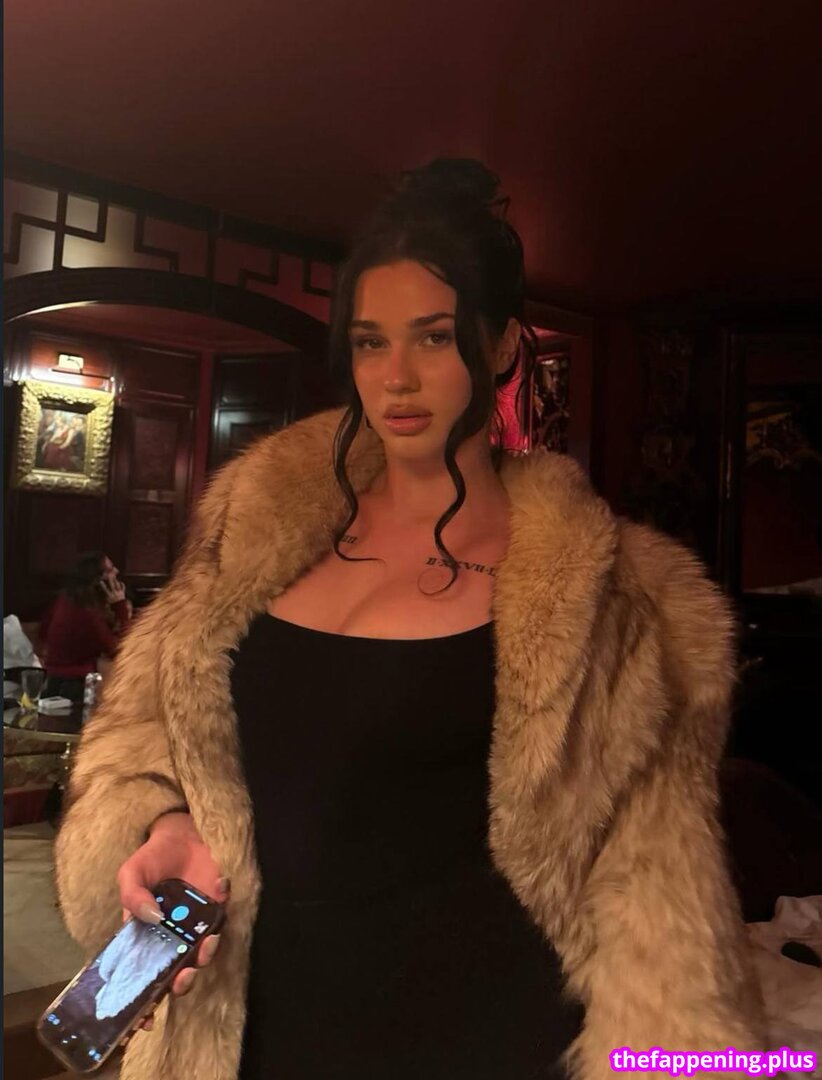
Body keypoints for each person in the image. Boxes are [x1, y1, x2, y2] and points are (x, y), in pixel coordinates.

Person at [54, 160, 765, 1080]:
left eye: (433, 337)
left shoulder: (617, 603)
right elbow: (142, 744)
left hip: (482, 1041)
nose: (395, 378)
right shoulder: (247, 540)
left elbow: (662, 913)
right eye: (369, 342)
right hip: (252, 1036)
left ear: (502, 345)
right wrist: (164, 823)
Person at [41, 551, 131, 702]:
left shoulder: (65, 600)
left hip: (54, 681)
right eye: (110, 570)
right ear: (98, 580)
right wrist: (121, 607)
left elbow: (43, 632)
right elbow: (119, 651)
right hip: (73, 687)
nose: (116, 571)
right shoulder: (87, 612)